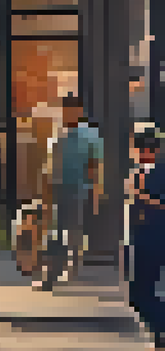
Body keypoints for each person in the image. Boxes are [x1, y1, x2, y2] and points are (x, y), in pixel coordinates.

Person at [38, 94, 104, 290]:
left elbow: (95, 166)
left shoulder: (90, 134)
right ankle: (52, 273)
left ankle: (72, 268)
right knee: (55, 232)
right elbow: (50, 164)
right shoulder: (57, 134)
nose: (68, 114)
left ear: (80, 112)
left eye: (72, 110)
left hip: (79, 188)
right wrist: (45, 192)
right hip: (58, 187)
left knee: (74, 230)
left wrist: (96, 194)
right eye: (65, 110)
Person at [126, 129, 165, 351]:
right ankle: (159, 333)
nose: (144, 153)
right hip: (138, 238)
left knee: (143, 292)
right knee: (136, 294)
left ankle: (160, 331)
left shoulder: (161, 173)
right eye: (140, 149)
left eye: (149, 149)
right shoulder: (136, 172)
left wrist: (142, 196)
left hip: (158, 237)